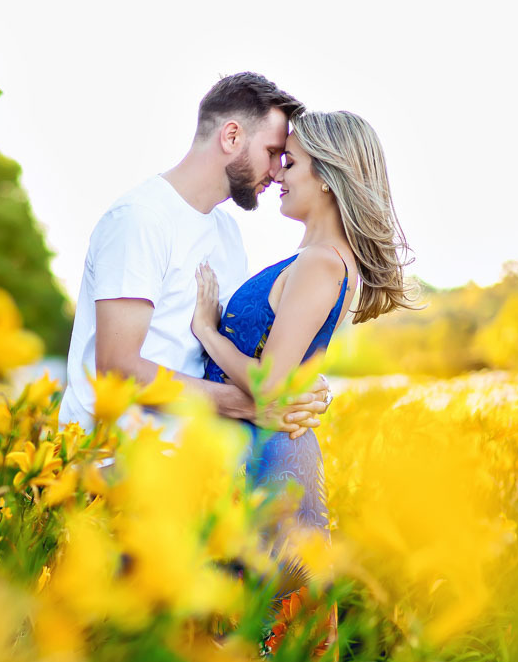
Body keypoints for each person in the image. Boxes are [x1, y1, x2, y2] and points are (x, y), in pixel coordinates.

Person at [192, 109, 416, 662]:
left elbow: (269, 383)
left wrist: (205, 330)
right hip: (263, 449)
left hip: (272, 459)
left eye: (289, 162)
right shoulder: (320, 260)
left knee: (260, 630)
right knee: (249, 629)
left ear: (328, 176)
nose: (277, 177)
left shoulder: (321, 262)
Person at [58, 72, 330, 436]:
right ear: (232, 136)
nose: (277, 171)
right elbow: (118, 368)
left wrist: (302, 385)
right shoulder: (140, 219)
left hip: (189, 466)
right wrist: (248, 406)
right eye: (271, 153)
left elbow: (225, 347)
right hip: (111, 464)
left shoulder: (228, 234)